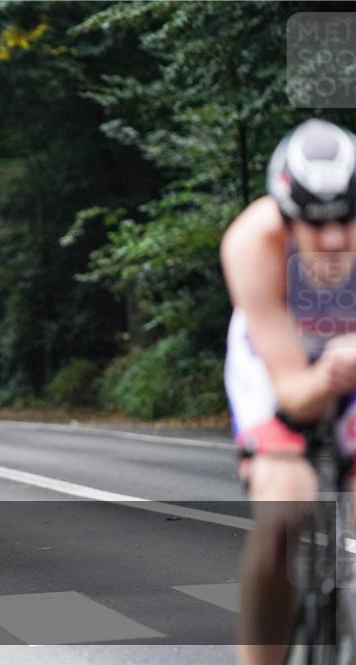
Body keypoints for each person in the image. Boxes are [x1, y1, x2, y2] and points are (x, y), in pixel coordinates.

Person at [221, 118, 356, 665]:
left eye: (347, 220)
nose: (331, 240)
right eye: (314, 223)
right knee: (281, 512)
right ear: (285, 214)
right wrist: (327, 376)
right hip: (278, 365)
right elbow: (293, 395)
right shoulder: (252, 243)